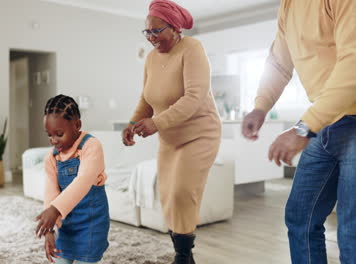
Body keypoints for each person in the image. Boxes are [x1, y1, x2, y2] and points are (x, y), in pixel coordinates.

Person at [241, 0, 356, 262]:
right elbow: (279, 63)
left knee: (351, 232)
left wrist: (304, 127)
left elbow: (353, 63)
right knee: (300, 219)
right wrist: (261, 106)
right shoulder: (289, 6)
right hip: (326, 123)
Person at [121, 0, 221, 263]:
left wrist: (156, 123)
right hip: (170, 139)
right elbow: (146, 98)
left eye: (157, 31)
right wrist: (132, 123)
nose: (152, 38)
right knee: (167, 195)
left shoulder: (192, 49)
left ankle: (183, 255)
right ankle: (183, 254)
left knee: (182, 192)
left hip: (200, 133)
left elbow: (194, 98)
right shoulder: (152, 58)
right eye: (148, 32)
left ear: (175, 28)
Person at [35, 94, 110, 264]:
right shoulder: (52, 157)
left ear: (77, 125)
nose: (54, 140)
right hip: (66, 225)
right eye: (49, 135)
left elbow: (83, 182)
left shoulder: (91, 146)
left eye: (59, 134)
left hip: (92, 224)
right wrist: (49, 230)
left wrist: (54, 210)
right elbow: (50, 192)